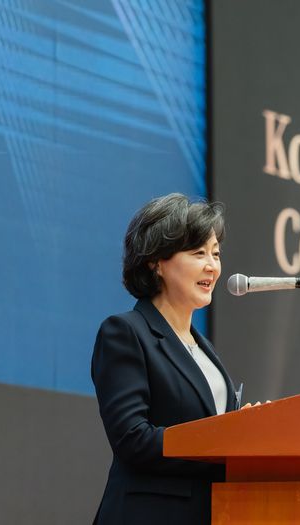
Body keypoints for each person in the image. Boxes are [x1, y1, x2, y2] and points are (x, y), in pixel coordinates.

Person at [91, 193, 238, 524]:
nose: (212, 265)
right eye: (198, 253)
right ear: (156, 261)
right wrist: (222, 444)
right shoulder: (125, 333)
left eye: (216, 253)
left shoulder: (205, 348)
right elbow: (133, 439)